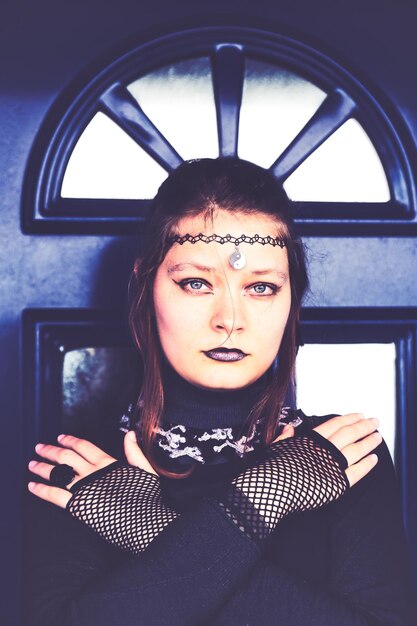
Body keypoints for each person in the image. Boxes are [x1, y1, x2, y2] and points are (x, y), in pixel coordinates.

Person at [24, 158, 415, 625]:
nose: (229, 319)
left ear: (293, 299)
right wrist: (260, 501)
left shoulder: (340, 456)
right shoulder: (81, 470)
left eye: (262, 287)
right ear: (145, 284)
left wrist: (150, 529)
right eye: (196, 283)